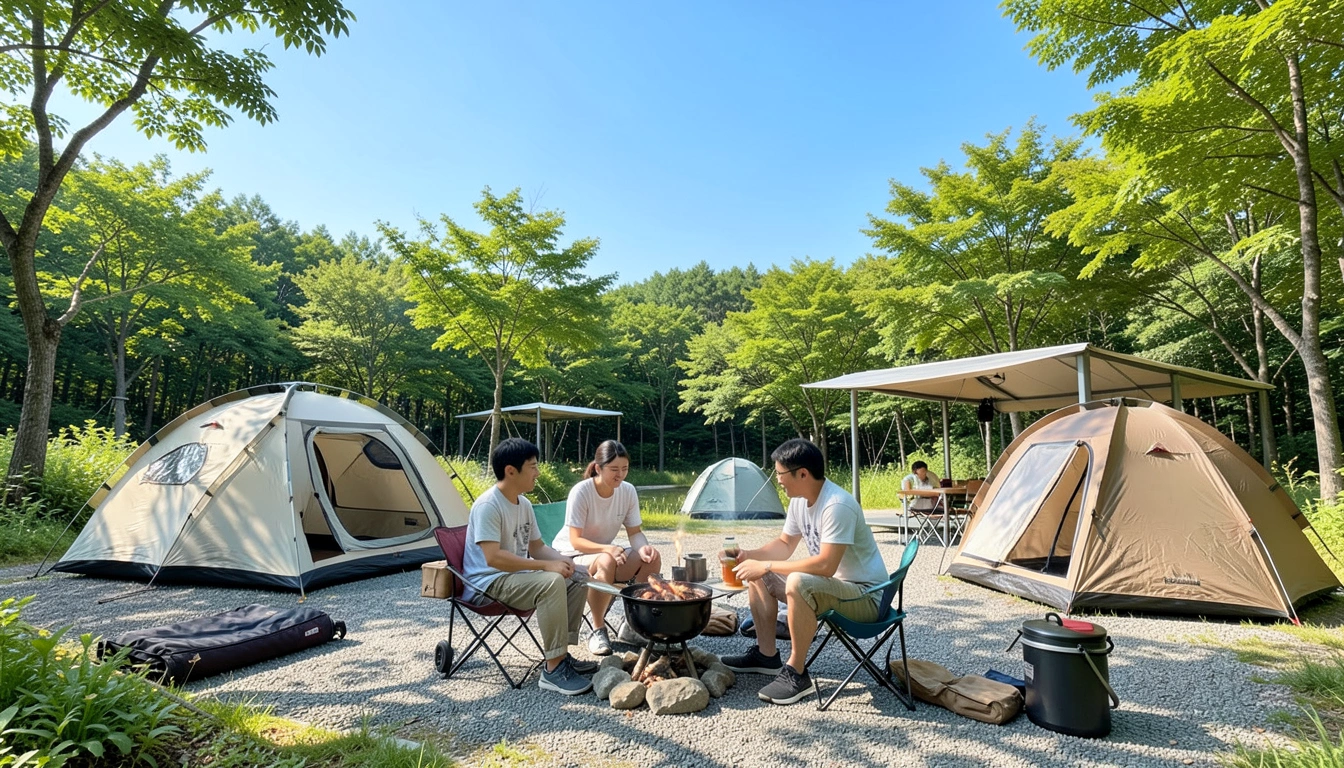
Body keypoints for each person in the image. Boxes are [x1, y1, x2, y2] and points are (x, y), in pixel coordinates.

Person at [721, 438, 889, 705]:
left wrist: (766, 565)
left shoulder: (837, 505)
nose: (777, 480)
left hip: (865, 598)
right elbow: (785, 545)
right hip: (834, 587)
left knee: (798, 581)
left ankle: (797, 673)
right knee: (756, 573)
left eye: (780, 473)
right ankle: (767, 656)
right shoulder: (799, 501)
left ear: (803, 473)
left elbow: (825, 565)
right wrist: (748, 557)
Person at [461, 437, 597, 695]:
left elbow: (537, 548)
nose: (538, 472)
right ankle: (553, 669)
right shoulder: (489, 505)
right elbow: (493, 558)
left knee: (578, 576)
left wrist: (563, 561)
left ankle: (562, 654)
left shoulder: (523, 504)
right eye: (533, 466)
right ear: (511, 471)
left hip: (514, 578)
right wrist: (546, 568)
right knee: (551, 582)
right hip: (487, 583)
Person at [552, 440, 661, 655]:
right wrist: (607, 549)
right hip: (571, 556)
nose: (620, 475)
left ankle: (632, 624)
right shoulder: (582, 491)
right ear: (598, 468)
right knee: (607, 559)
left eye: (624, 469)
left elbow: (635, 533)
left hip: (603, 553)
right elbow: (575, 540)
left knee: (652, 558)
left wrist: (643, 548)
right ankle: (597, 629)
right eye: (614, 469)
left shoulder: (627, 491)